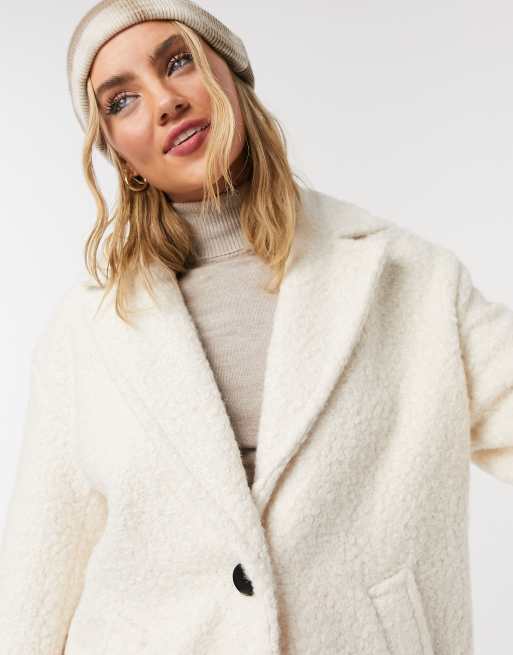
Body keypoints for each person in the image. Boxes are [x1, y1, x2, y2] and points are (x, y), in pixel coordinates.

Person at [1, 0, 512, 653]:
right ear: (119, 156)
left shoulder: (409, 278)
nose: (164, 102)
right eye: (121, 101)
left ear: (233, 73)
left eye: (178, 63)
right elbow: (38, 567)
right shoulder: (86, 332)